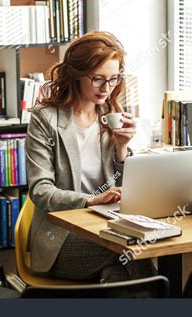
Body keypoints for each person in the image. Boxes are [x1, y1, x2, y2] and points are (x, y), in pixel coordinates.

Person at [25, 31, 156, 283]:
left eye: (114, 79)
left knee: (117, 275)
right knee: (131, 250)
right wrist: (92, 200)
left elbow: (124, 185)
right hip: (61, 237)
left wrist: (122, 148)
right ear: (76, 74)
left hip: (107, 225)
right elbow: (41, 191)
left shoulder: (111, 113)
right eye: (97, 79)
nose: (107, 88)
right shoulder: (45, 119)